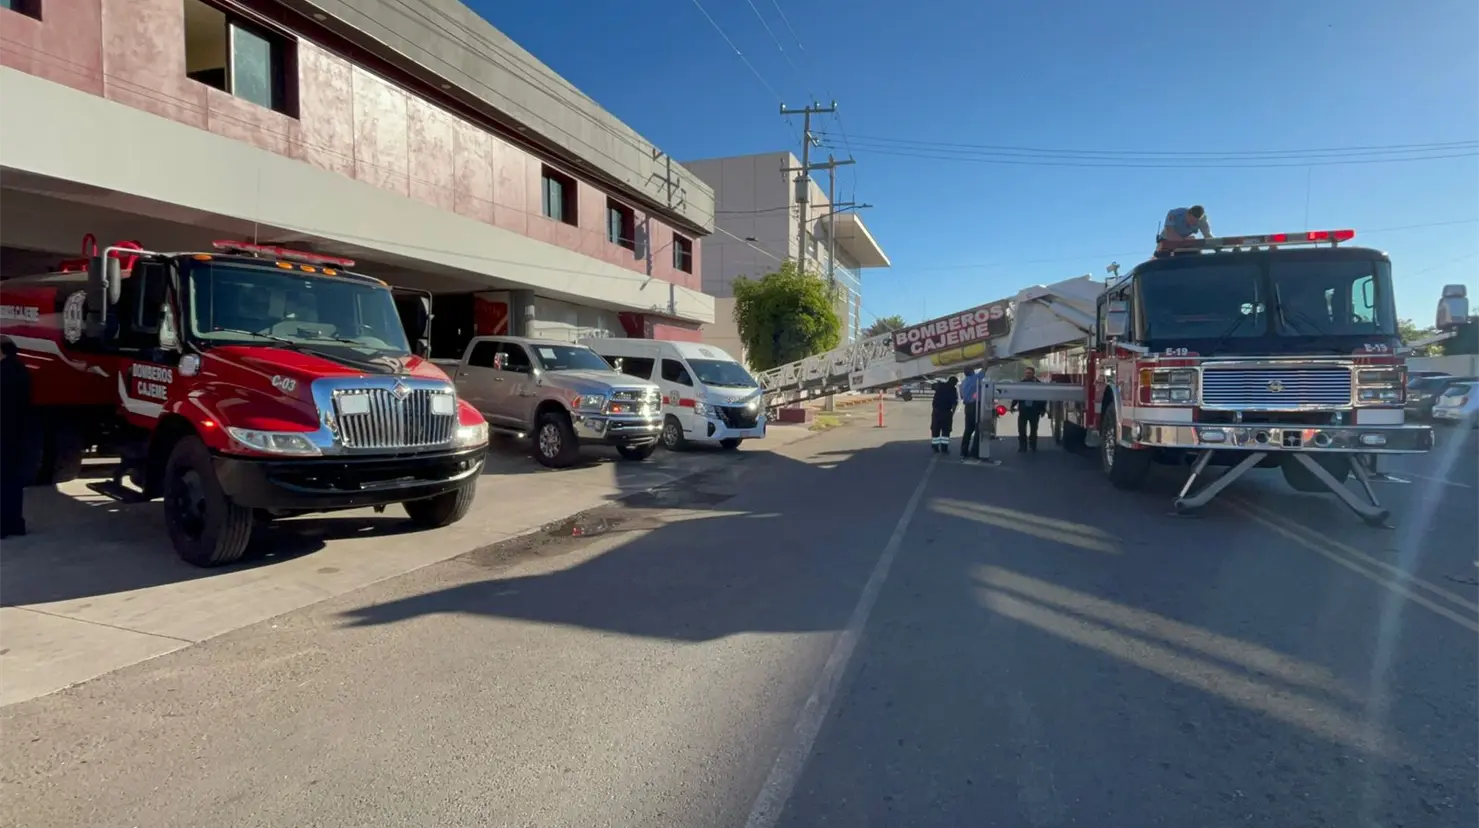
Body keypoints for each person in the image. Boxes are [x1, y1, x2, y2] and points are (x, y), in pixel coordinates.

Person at [0, 335, 32, 538]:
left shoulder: (3, 373)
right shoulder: (21, 371)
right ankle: (15, 523)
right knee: (12, 479)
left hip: (3, 432)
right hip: (17, 432)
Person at [1010, 366, 1046, 453]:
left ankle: (1033, 445)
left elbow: (1043, 398)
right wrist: (1012, 406)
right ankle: (1023, 446)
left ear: (1033, 374)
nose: (1027, 375)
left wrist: (1042, 409)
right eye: (1026, 373)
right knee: (1021, 430)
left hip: (1034, 411)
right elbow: (1016, 396)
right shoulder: (1021, 383)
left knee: (1033, 430)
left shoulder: (1038, 384)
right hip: (1023, 411)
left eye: (1029, 373)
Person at [929, 375, 959, 454]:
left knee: (935, 429)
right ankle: (944, 448)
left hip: (936, 412)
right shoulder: (953, 389)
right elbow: (954, 403)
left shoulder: (940, 386)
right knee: (946, 431)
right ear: (954, 383)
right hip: (946, 412)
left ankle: (935, 446)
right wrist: (952, 413)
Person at [958, 368, 982, 459]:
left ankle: (963, 451)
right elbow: (985, 368)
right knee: (978, 429)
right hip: (976, 406)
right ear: (972, 372)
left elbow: (962, 396)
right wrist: (986, 356)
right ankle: (975, 452)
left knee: (968, 429)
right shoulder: (976, 378)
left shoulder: (963, 383)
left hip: (967, 407)